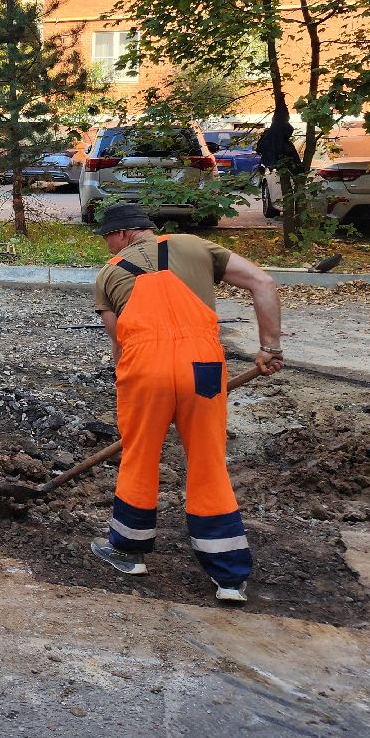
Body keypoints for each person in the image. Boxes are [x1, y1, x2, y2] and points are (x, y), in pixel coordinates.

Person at [87, 202, 284, 604]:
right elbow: (263, 283)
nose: (107, 247)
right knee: (208, 462)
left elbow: (120, 345)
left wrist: (138, 385)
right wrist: (269, 348)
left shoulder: (108, 275)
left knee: (140, 455)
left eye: (108, 237)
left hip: (145, 370)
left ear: (124, 233)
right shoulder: (195, 246)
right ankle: (229, 577)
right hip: (204, 368)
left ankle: (128, 551)